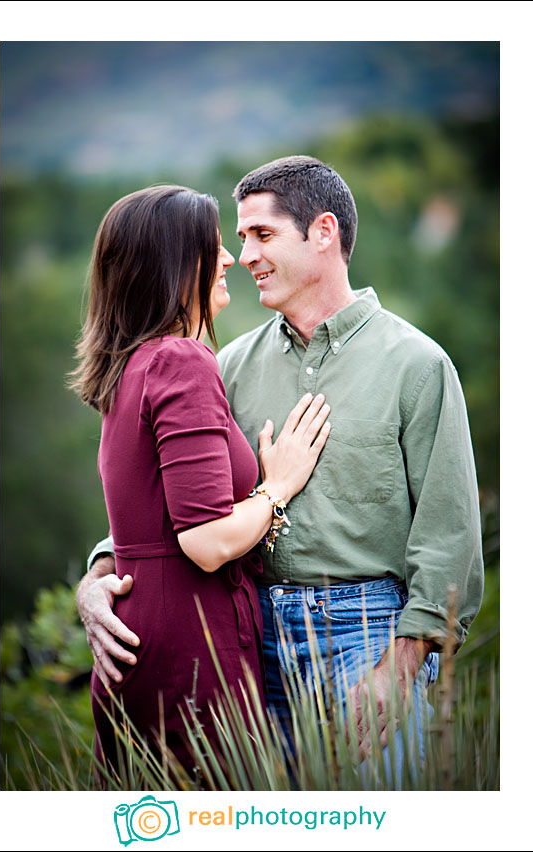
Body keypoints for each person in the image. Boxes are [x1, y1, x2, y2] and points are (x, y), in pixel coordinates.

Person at [77, 157, 484, 776]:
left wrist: (398, 669)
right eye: (239, 239)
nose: (243, 256)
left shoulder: (417, 365)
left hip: (366, 637)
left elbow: (449, 536)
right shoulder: (226, 365)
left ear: (323, 233)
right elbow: (180, 498)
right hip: (248, 643)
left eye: (261, 235)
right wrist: (99, 575)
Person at [69, 184, 331, 777]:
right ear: (174, 263)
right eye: (213, 247)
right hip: (191, 650)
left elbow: (147, 519)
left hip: (144, 639)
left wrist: (95, 577)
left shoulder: (132, 365)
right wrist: (278, 485)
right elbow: (206, 542)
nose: (231, 259)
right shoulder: (180, 361)